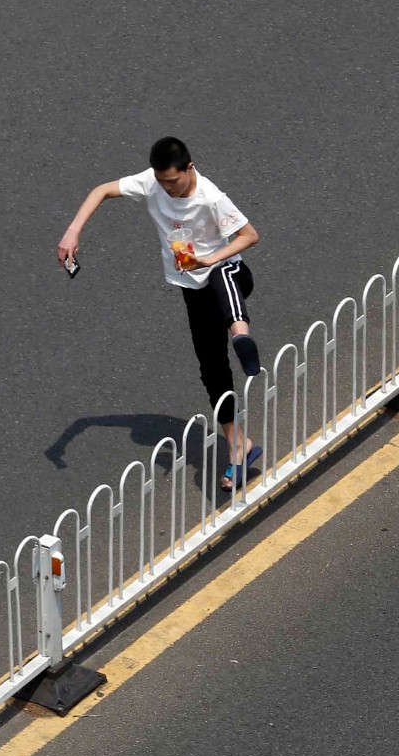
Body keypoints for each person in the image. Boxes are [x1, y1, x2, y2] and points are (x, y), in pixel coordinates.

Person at [57, 137, 264, 491]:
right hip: (193, 291)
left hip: (228, 274)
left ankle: (241, 335)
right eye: (161, 181)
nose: (167, 188)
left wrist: (208, 258)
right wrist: (73, 231)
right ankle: (238, 446)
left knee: (221, 276)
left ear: (190, 168)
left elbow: (250, 235)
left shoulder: (211, 197)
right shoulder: (152, 183)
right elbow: (102, 190)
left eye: (174, 181)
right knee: (212, 370)